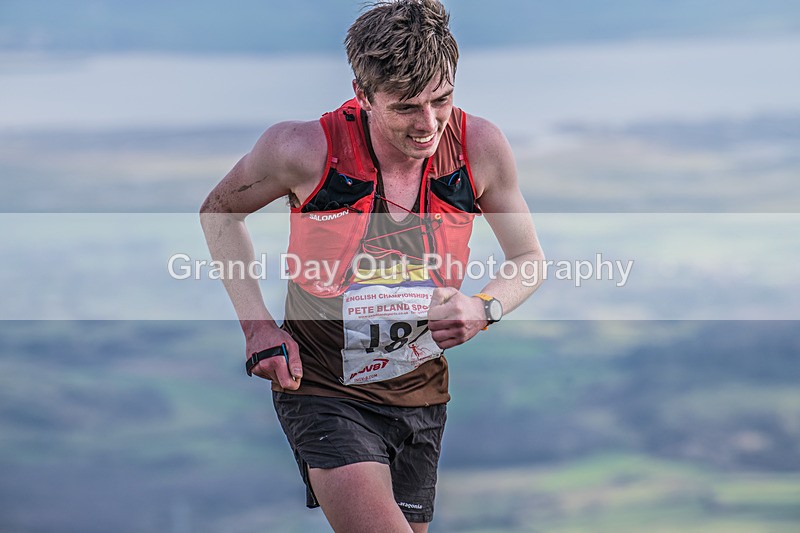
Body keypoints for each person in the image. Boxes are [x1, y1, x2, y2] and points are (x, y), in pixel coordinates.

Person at [200, 1, 544, 531]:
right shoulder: (301, 148)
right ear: (363, 94)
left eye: (442, 99)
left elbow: (528, 260)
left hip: (422, 394)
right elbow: (220, 213)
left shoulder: (481, 148)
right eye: (407, 107)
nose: (428, 124)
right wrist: (258, 326)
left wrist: (483, 306)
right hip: (323, 389)